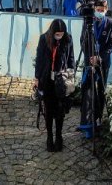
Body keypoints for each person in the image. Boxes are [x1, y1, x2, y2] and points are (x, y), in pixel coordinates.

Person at [80, 0, 112, 134]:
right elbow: (82, 41)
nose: (100, 12)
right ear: (95, 9)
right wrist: (90, 57)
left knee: (101, 89)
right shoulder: (87, 22)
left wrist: (99, 57)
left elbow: (111, 44)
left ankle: (99, 117)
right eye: (98, 10)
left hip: (102, 61)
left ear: (106, 10)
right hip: (89, 60)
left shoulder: (110, 24)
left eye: (102, 10)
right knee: (89, 87)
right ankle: (87, 119)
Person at [34, 19, 74, 151]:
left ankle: (59, 136)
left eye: (61, 34)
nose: (59, 36)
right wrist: (37, 78)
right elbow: (39, 59)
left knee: (60, 110)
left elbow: (71, 59)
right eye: (57, 34)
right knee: (48, 109)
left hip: (61, 79)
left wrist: (70, 77)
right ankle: (49, 137)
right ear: (52, 32)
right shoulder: (44, 39)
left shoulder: (68, 40)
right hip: (47, 80)